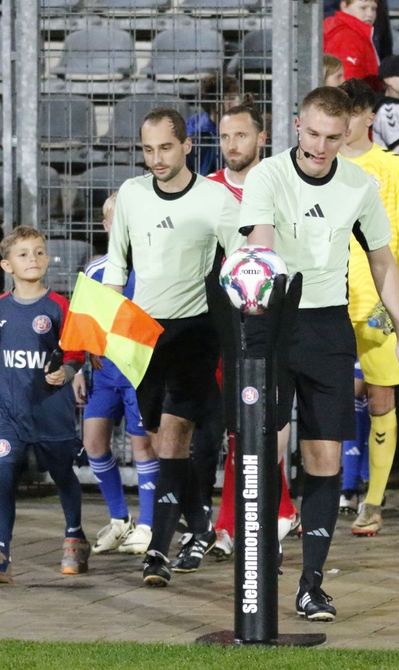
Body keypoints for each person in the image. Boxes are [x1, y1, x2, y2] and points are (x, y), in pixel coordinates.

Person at [240, 86, 399, 621]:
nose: (320, 146)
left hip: (327, 326)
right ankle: (262, 552)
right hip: (270, 321)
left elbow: (385, 264)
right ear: (298, 125)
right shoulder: (268, 177)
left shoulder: (359, 185)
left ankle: (312, 582)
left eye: (332, 138)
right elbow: (262, 243)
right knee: (265, 446)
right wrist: (268, 293)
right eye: (313, 134)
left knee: (323, 457)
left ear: (349, 135)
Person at [104, 108, 243, 586]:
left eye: (165, 147)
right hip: (144, 332)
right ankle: (200, 527)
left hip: (196, 332)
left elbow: (242, 262)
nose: (156, 158)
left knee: (173, 437)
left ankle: (157, 552)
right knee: (154, 440)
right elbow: (117, 263)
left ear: (187, 145)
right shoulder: (132, 195)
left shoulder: (216, 199)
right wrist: (109, 321)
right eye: (148, 149)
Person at [206, 105, 300, 559]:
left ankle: (258, 514)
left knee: (267, 426)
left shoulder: (281, 187)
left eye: (241, 135)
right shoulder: (208, 191)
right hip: (226, 327)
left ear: (261, 138)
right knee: (235, 427)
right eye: (225, 136)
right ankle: (255, 515)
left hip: (275, 325)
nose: (232, 145)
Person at [337, 79, 399, 536]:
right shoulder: (320, 168)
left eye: (350, 113)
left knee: (380, 396)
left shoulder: (393, 168)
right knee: (328, 397)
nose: (343, 122)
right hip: (328, 302)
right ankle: (328, 488)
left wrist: (395, 296)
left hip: (377, 305)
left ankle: (373, 499)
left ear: (369, 116)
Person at [0, 226, 87, 582]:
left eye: (38, 252)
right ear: (6, 265)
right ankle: (2, 552)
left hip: (52, 413)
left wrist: (66, 372)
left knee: (63, 474)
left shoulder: (59, 306)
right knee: (3, 476)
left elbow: (76, 352)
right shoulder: (1, 309)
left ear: (48, 259)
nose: (32, 259)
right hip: (9, 415)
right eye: (23, 254)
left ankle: (74, 535)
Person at [74, 194, 157, 556]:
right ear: (107, 226)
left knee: (143, 446)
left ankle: (150, 525)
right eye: (114, 220)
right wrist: (78, 365)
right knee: (93, 440)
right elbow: (84, 323)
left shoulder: (155, 268)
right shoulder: (95, 269)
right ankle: (120, 519)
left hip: (141, 373)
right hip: (104, 372)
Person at [186, 75, 243, 176]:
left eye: (236, 97)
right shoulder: (193, 130)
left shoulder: (243, 125)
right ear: (215, 103)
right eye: (231, 98)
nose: (236, 103)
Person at [323, 0, 380, 90]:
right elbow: (347, 81)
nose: (370, 14)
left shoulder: (358, 34)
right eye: (363, 8)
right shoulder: (346, 37)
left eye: (373, 9)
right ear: (344, 6)